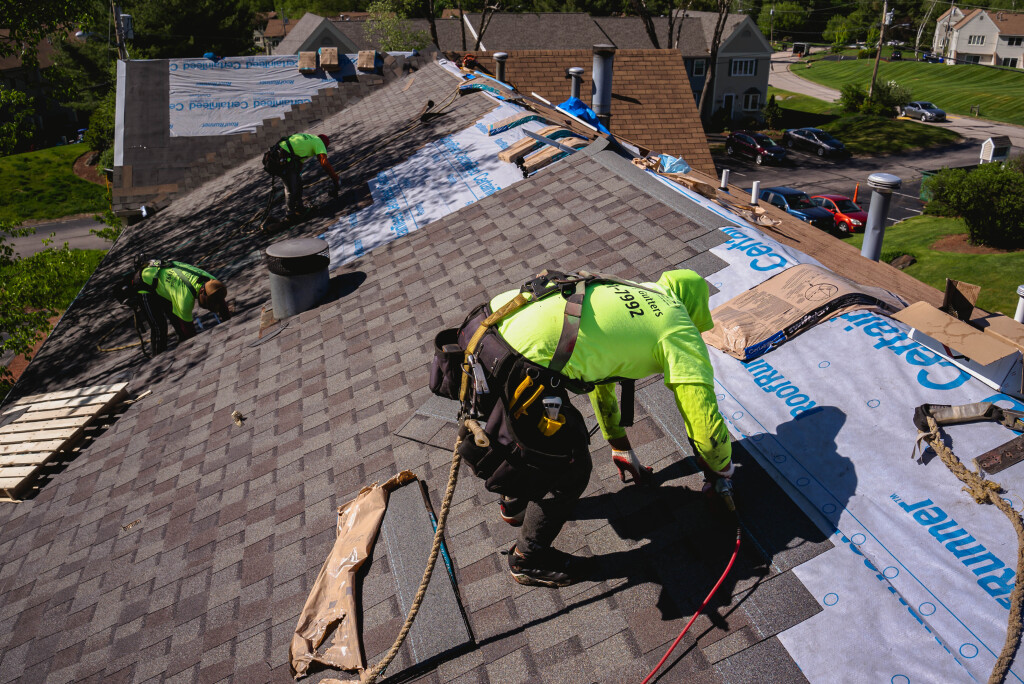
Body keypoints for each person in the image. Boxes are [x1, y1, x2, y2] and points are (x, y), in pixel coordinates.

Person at [451, 269, 733, 588]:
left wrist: (619, 444)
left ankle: (514, 506)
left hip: (488, 326)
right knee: (567, 466)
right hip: (522, 359)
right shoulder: (679, 330)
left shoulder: (632, 290)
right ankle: (528, 560)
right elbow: (706, 429)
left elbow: (601, 378)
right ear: (694, 310)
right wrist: (720, 472)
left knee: (513, 434)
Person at [131, 260, 231, 354]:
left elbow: (218, 297)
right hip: (145, 284)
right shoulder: (184, 299)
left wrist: (227, 320)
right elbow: (190, 332)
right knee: (159, 327)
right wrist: (197, 349)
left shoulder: (212, 281)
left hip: (164, 279)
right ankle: (157, 359)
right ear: (201, 292)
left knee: (175, 317)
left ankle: (179, 343)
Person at [268, 133, 341, 221]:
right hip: (282, 157)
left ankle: (299, 207)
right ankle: (290, 215)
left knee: (298, 182)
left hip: (280, 153)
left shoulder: (310, 138)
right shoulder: (319, 143)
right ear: (324, 145)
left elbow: (299, 162)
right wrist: (335, 177)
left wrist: (298, 175)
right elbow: (324, 162)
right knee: (291, 188)